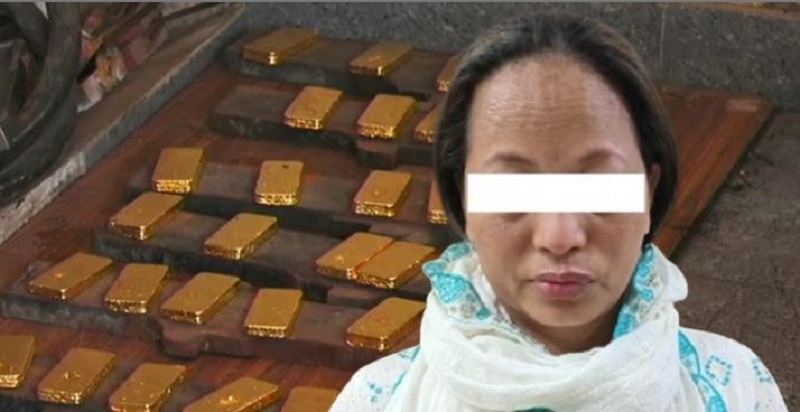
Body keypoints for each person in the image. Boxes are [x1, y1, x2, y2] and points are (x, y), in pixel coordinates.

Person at [330, 13, 788, 412]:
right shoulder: (376, 400)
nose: (559, 236)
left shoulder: (738, 390)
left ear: (648, 193)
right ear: (463, 197)